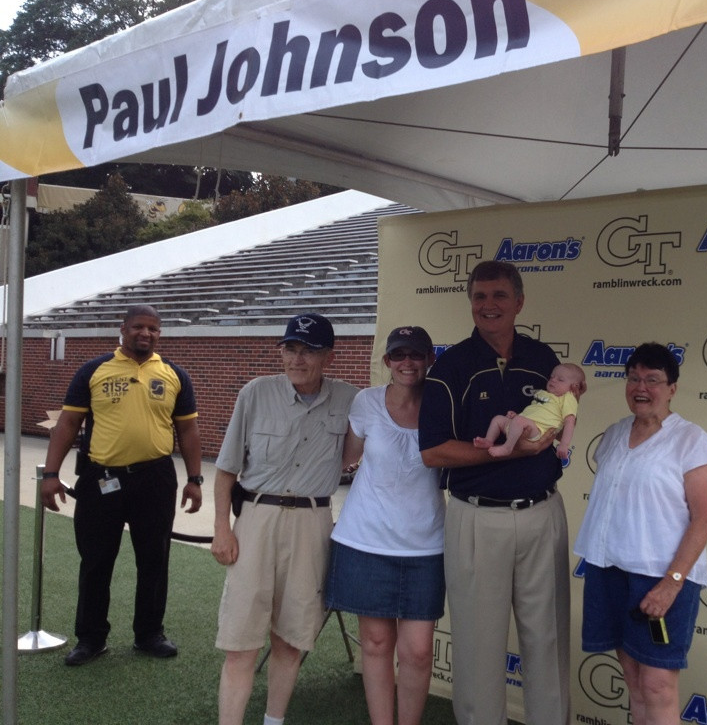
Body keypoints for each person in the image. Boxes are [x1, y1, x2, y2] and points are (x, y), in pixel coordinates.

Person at [419, 260, 580, 725]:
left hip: (541, 511)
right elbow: (433, 451)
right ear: (470, 302)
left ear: (519, 302)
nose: (489, 305)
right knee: (477, 646)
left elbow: (564, 414)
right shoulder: (451, 365)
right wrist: (502, 454)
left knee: (548, 640)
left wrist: (550, 438)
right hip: (476, 518)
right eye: (480, 296)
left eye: (499, 295)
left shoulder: (543, 357)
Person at [211, 313, 358, 725]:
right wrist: (221, 529)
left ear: (329, 357)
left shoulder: (350, 399)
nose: (297, 359)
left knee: (291, 641)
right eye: (290, 349)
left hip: (312, 524)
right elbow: (226, 470)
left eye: (309, 351)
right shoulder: (256, 393)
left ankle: (273, 721)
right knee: (241, 644)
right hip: (256, 521)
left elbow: (351, 455)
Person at [41, 304, 203, 667]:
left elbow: (188, 429)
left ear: (160, 333)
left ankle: (149, 634)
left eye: (153, 329)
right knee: (96, 561)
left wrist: (194, 479)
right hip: (101, 478)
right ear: (123, 328)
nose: (146, 333)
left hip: (156, 478)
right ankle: (91, 638)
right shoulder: (93, 370)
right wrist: (51, 474)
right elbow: (68, 424)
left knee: (154, 559)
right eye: (138, 327)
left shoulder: (174, 374)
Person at [573, 342, 707, 725]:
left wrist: (671, 584)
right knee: (635, 682)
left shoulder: (692, 440)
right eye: (634, 378)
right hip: (610, 569)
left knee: (657, 686)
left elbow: (704, 519)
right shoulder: (613, 434)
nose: (641, 387)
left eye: (653, 379)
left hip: (662, 578)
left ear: (672, 388)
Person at [325, 325, 445, 725]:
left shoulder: (443, 404)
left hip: (425, 546)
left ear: (430, 359)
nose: (407, 363)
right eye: (399, 355)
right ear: (387, 360)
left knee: (418, 652)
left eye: (416, 354)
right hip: (365, 541)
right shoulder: (366, 402)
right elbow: (345, 459)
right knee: (376, 644)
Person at [473, 363, 585, 460]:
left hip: (539, 431)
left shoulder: (568, 398)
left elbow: (570, 422)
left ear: (574, 386)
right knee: (498, 419)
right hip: (524, 425)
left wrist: (564, 444)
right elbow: (533, 412)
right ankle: (488, 440)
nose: (553, 380)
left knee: (519, 421)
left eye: (560, 379)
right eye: (551, 377)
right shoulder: (543, 393)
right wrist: (516, 416)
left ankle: (507, 448)